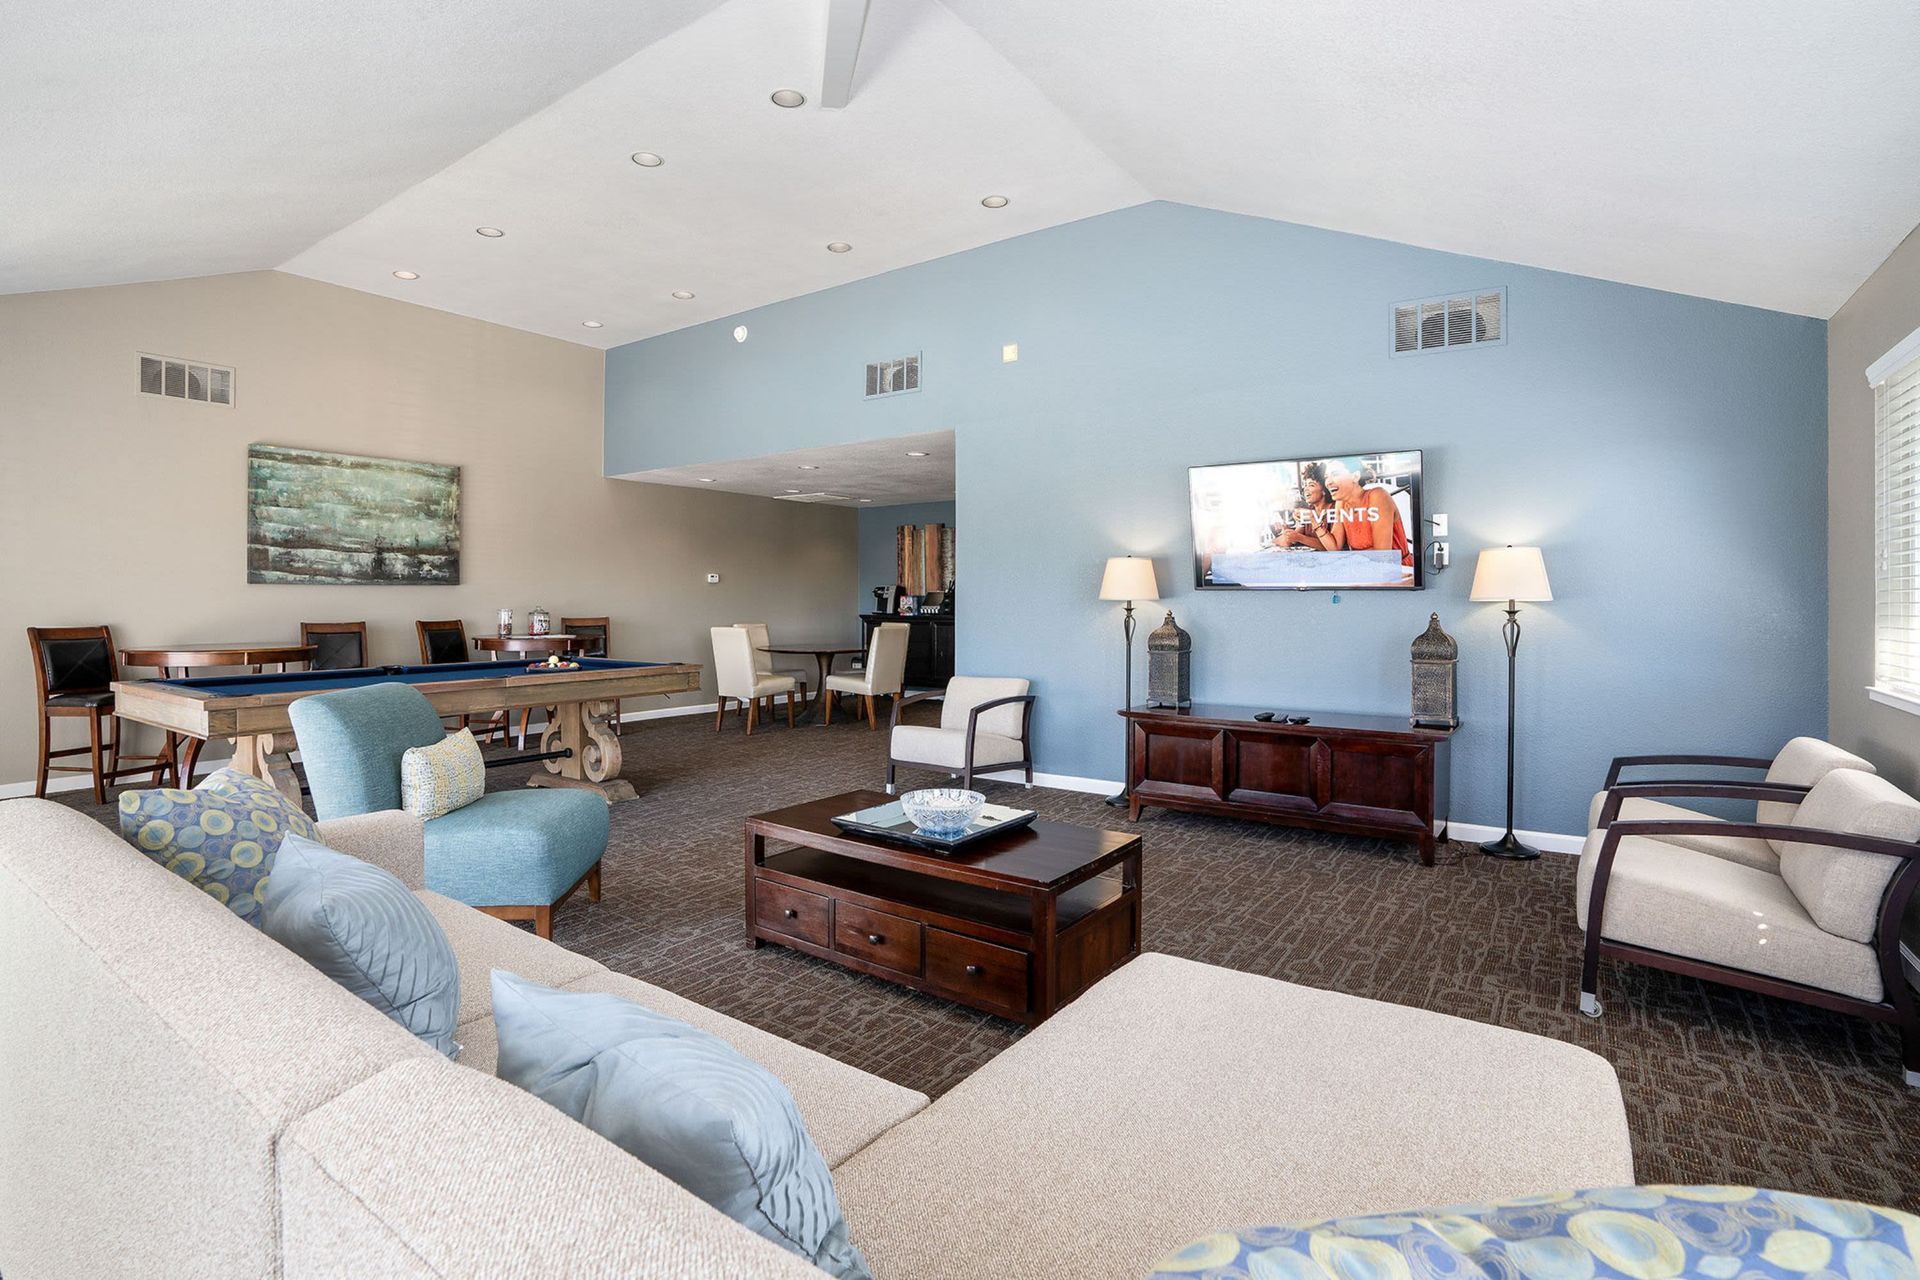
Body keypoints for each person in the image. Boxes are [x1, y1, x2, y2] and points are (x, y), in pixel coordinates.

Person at [1322, 459, 1411, 568]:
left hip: (1398, 571)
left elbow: (1382, 557)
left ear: (1355, 476)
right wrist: (1313, 520)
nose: (1328, 482)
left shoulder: (1377, 496)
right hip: (1363, 569)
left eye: (1335, 474)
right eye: (1326, 477)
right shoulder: (1341, 503)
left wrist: (1348, 558)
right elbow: (1335, 547)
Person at [1273, 462, 1339, 551]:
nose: (1306, 489)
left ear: (1324, 490)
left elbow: (1331, 546)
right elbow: (1289, 540)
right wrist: (1287, 532)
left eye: (1311, 485)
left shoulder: (1335, 509)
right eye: (1305, 485)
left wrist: (1300, 538)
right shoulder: (1309, 511)